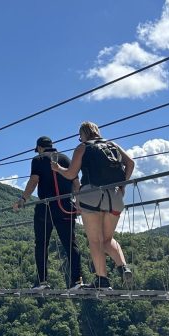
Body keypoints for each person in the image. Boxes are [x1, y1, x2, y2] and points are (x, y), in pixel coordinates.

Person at [52, 121, 135, 289]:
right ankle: (123, 266)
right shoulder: (113, 145)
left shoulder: (82, 147)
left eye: (80, 136)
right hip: (114, 197)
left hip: (91, 195)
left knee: (95, 241)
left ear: (83, 134)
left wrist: (58, 168)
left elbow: (71, 174)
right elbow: (131, 163)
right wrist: (122, 186)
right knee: (107, 240)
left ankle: (102, 280)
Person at [12, 136, 82, 290]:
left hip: (46, 207)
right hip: (66, 206)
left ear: (40, 148)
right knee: (71, 244)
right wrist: (78, 203)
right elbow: (76, 183)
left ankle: (42, 281)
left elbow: (33, 181)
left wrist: (23, 199)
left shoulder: (38, 160)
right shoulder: (65, 159)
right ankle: (77, 281)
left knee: (41, 244)